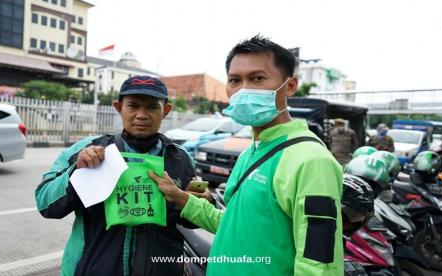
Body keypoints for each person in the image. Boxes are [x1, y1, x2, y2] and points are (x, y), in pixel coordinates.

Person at [150, 35, 344, 275]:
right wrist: (181, 197)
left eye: (257, 78)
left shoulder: (311, 161)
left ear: (290, 86)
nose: (243, 90)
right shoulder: (249, 153)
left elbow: (319, 264)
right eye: (235, 80)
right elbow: (234, 226)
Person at [35, 76, 211, 276]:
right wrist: (77, 172)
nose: (141, 115)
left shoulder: (180, 158)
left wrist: (203, 201)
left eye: (152, 107)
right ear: (119, 108)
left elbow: (189, 221)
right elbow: (45, 204)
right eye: (133, 106)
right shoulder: (87, 151)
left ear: (166, 110)